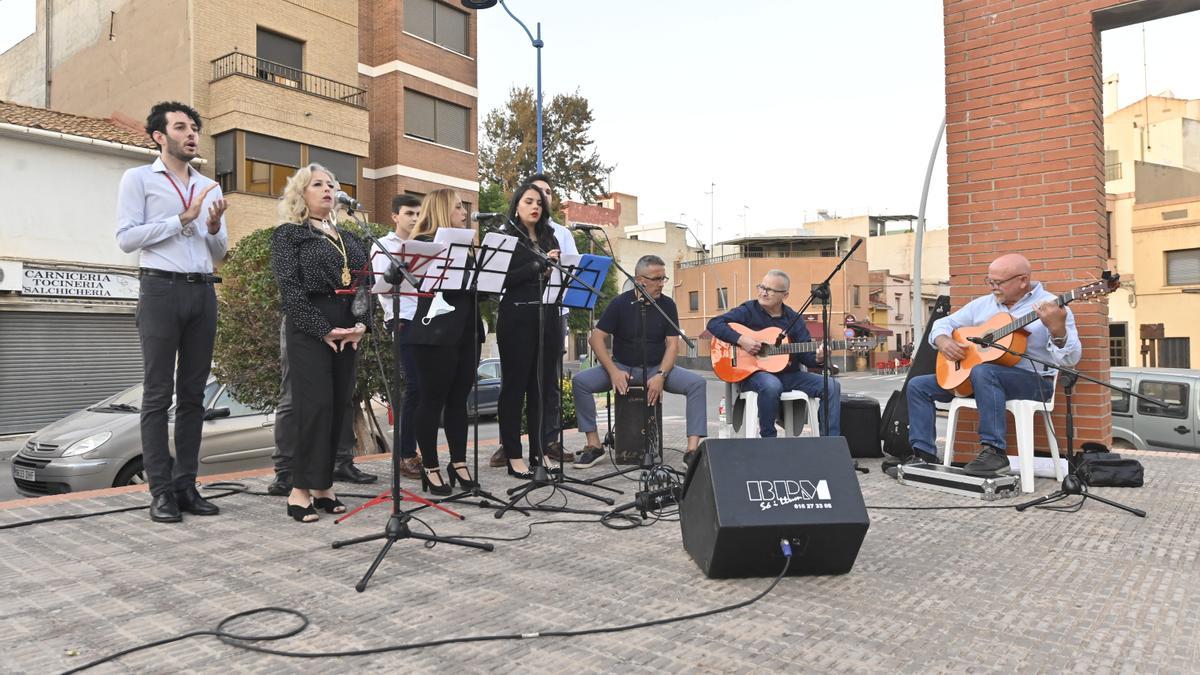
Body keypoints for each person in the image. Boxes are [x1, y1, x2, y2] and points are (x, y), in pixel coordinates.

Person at [116, 101, 228, 523]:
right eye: (181, 127)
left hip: (202, 293)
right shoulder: (138, 179)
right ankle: (160, 491)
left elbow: (218, 252)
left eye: (195, 127)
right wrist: (182, 219)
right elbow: (127, 239)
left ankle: (186, 486)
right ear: (160, 136)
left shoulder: (210, 187)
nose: (192, 133)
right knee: (158, 395)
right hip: (160, 288)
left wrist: (213, 229)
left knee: (195, 396)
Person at [905, 253, 1080, 476]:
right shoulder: (984, 304)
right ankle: (923, 455)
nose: (992, 288)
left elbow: (1070, 360)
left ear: (1023, 281)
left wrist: (1057, 330)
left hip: (1034, 382)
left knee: (984, 371)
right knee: (918, 385)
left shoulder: (1051, 307)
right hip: (981, 378)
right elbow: (944, 323)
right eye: (989, 281)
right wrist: (942, 339)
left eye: (998, 283)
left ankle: (994, 452)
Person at [270, 164, 368, 522]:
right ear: (301, 194)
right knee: (313, 408)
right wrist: (323, 329)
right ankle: (299, 490)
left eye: (331, 183)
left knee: (338, 406)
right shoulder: (289, 235)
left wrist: (362, 325)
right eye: (318, 184)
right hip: (311, 328)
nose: (328, 189)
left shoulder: (352, 238)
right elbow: (291, 292)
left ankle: (324, 485)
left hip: (347, 328)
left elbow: (364, 286)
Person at [572, 255, 707, 467]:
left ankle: (692, 451)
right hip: (622, 367)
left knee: (697, 384)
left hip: (657, 368)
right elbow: (596, 339)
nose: (662, 283)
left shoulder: (667, 305)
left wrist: (661, 375)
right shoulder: (619, 304)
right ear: (639, 279)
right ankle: (595, 445)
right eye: (656, 279)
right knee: (581, 382)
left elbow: (673, 345)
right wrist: (613, 371)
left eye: (664, 278)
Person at [490, 173, 579, 468]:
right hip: (516, 317)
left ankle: (539, 452)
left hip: (548, 316)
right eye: (528, 201)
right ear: (517, 206)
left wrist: (557, 269)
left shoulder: (550, 237)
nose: (535, 207)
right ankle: (514, 454)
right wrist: (537, 265)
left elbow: (557, 280)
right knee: (515, 387)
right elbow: (501, 281)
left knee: (541, 387)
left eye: (539, 203)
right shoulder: (505, 237)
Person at [402, 189, 486, 495]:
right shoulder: (424, 245)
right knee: (431, 400)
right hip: (433, 334)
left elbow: (479, 289)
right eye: (458, 207)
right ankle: (431, 467)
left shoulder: (466, 248)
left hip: (467, 331)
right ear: (442, 210)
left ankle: (458, 462)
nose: (464, 213)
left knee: (458, 401)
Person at [707, 270, 841, 439]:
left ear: (785, 295)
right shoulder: (749, 310)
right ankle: (769, 440)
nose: (763, 292)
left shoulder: (794, 319)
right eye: (762, 287)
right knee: (771, 385)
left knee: (831, 386)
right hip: (754, 375)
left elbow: (807, 356)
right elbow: (714, 324)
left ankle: (830, 442)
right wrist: (741, 340)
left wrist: (818, 358)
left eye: (770, 290)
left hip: (788, 375)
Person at [368, 193, 424, 481]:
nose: (414, 218)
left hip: (427, 318)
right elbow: (380, 286)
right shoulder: (383, 246)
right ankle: (404, 454)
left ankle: (418, 452)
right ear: (395, 216)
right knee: (413, 387)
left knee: (426, 388)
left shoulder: (423, 245)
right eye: (409, 213)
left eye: (417, 213)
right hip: (401, 319)